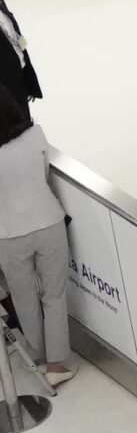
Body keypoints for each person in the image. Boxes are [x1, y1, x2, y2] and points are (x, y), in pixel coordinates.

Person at [0, 87, 71, 384]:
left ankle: (39, 357)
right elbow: (44, 175)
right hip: (47, 222)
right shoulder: (35, 135)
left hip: (7, 235)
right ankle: (57, 365)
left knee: (23, 297)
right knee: (54, 295)